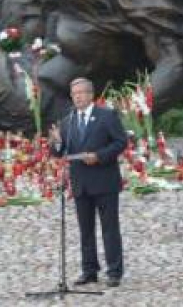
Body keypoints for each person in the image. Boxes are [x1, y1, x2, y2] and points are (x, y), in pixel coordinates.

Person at [48, 77, 126, 288]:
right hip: (81, 182)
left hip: (104, 181)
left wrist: (99, 156)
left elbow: (121, 142)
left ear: (91, 94)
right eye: (74, 94)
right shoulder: (68, 121)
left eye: (81, 93)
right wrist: (55, 141)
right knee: (86, 229)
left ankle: (114, 271)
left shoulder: (106, 116)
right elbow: (58, 152)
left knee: (110, 228)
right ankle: (89, 270)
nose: (78, 97)